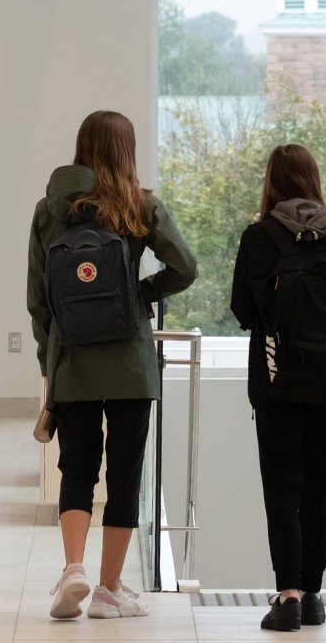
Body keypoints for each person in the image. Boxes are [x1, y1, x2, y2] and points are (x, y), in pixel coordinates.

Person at [27, 110, 197, 620]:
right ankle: (108, 590)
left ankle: (73, 568)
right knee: (124, 475)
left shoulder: (49, 209)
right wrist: (140, 292)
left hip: (72, 361)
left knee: (76, 468)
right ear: (127, 150)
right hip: (130, 362)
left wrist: (48, 362)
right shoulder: (139, 205)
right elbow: (185, 267)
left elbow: (38, 300)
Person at [230, 143, 326, 632]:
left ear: (271, 181)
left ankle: (287, 593)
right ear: (313, 179)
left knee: (282, 487)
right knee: (320, 485)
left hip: (276, 380)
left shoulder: (259, 236)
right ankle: (312, 593)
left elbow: (243, 310)